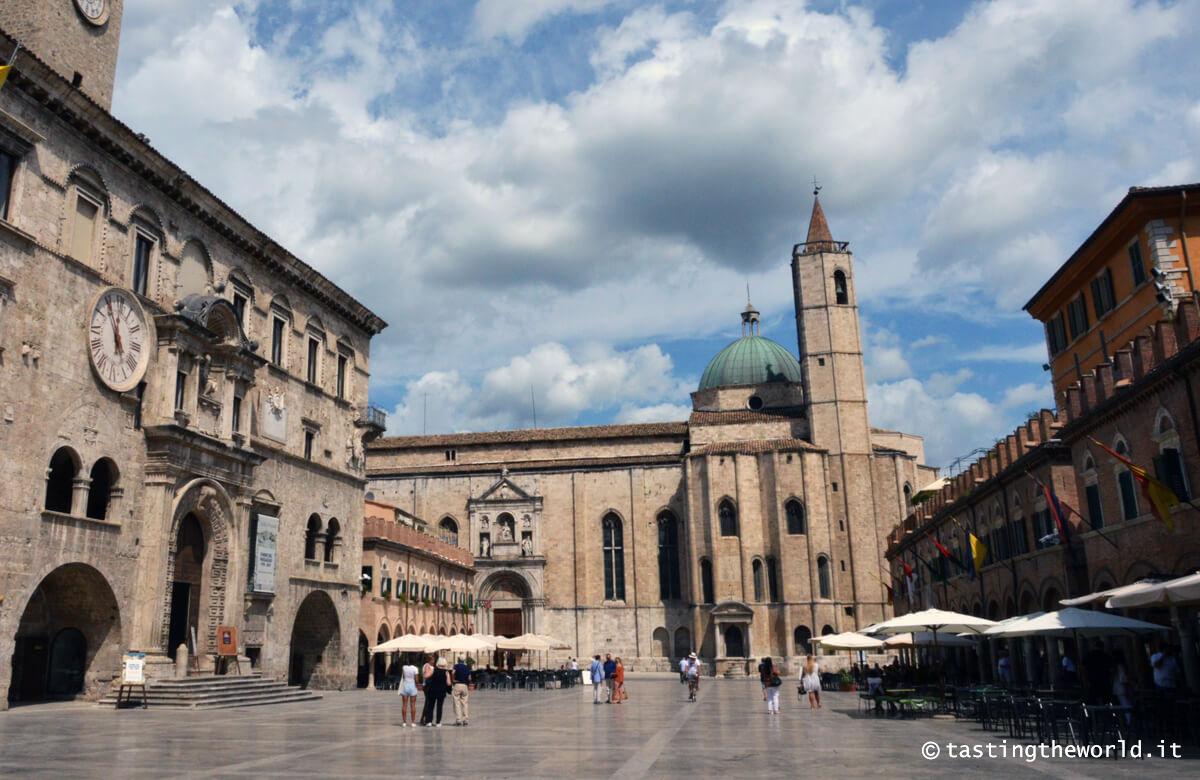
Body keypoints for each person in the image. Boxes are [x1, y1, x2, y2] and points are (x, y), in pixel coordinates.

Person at [422, 657, 451, 727]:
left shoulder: (434, 670)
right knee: (439, 707)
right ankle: (438, 722)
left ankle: (429, 721)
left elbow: (425, 676)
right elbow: (449, 683)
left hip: (432, 690)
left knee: (431, 706)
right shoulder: (446, 672)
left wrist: (427, 671)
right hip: (441, 691)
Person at [1111, 650, 1133, 724]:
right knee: (1126, 705)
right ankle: (1128, 721)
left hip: (1120, 688)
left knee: (1125, 704)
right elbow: (1123, 678)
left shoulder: (1117, 666)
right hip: (1121, 688)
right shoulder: (1120, 666)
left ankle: (1128, 721)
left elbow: (1122, 678)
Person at [398, 656, 419, 727]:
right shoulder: (415, 669)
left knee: (404, 704)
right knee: (412, 704)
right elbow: (416, 680)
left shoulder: (404, 667)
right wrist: (418, 685)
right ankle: (413, 722)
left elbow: (403, 677)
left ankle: (404, 722)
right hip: (412, 686)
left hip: (405, 686)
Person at [452, 656, 471, 726]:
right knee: (465, 703)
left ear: (458, 659)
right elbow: (469, 678)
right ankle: (465, 719)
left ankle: (458, 720)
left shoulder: (456, 666)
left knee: (457, 703)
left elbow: (453, 673)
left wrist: (453, 680)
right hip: (465, 685)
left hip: (457, 684)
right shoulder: (467, 667)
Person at [418, 654, 436, 725]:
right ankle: (425, 719)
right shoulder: (427, 666)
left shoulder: (431, 666)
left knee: (428, 703)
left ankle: (424, 719)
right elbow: (425, 676)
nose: (434, 661)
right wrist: (433, 673)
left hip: (431, 686)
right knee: (428, 703)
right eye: (433, 660)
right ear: (429, 660)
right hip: (427, 686)